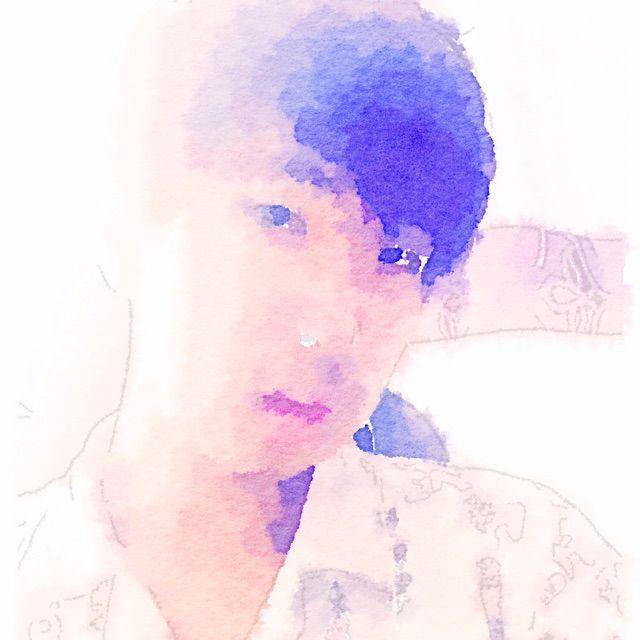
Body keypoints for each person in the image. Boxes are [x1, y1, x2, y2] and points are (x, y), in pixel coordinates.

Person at [17, 1, 626, 639]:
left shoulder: (527, 574)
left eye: (398, 257)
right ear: (127, 223)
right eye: (280, 217)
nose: (332, 329)